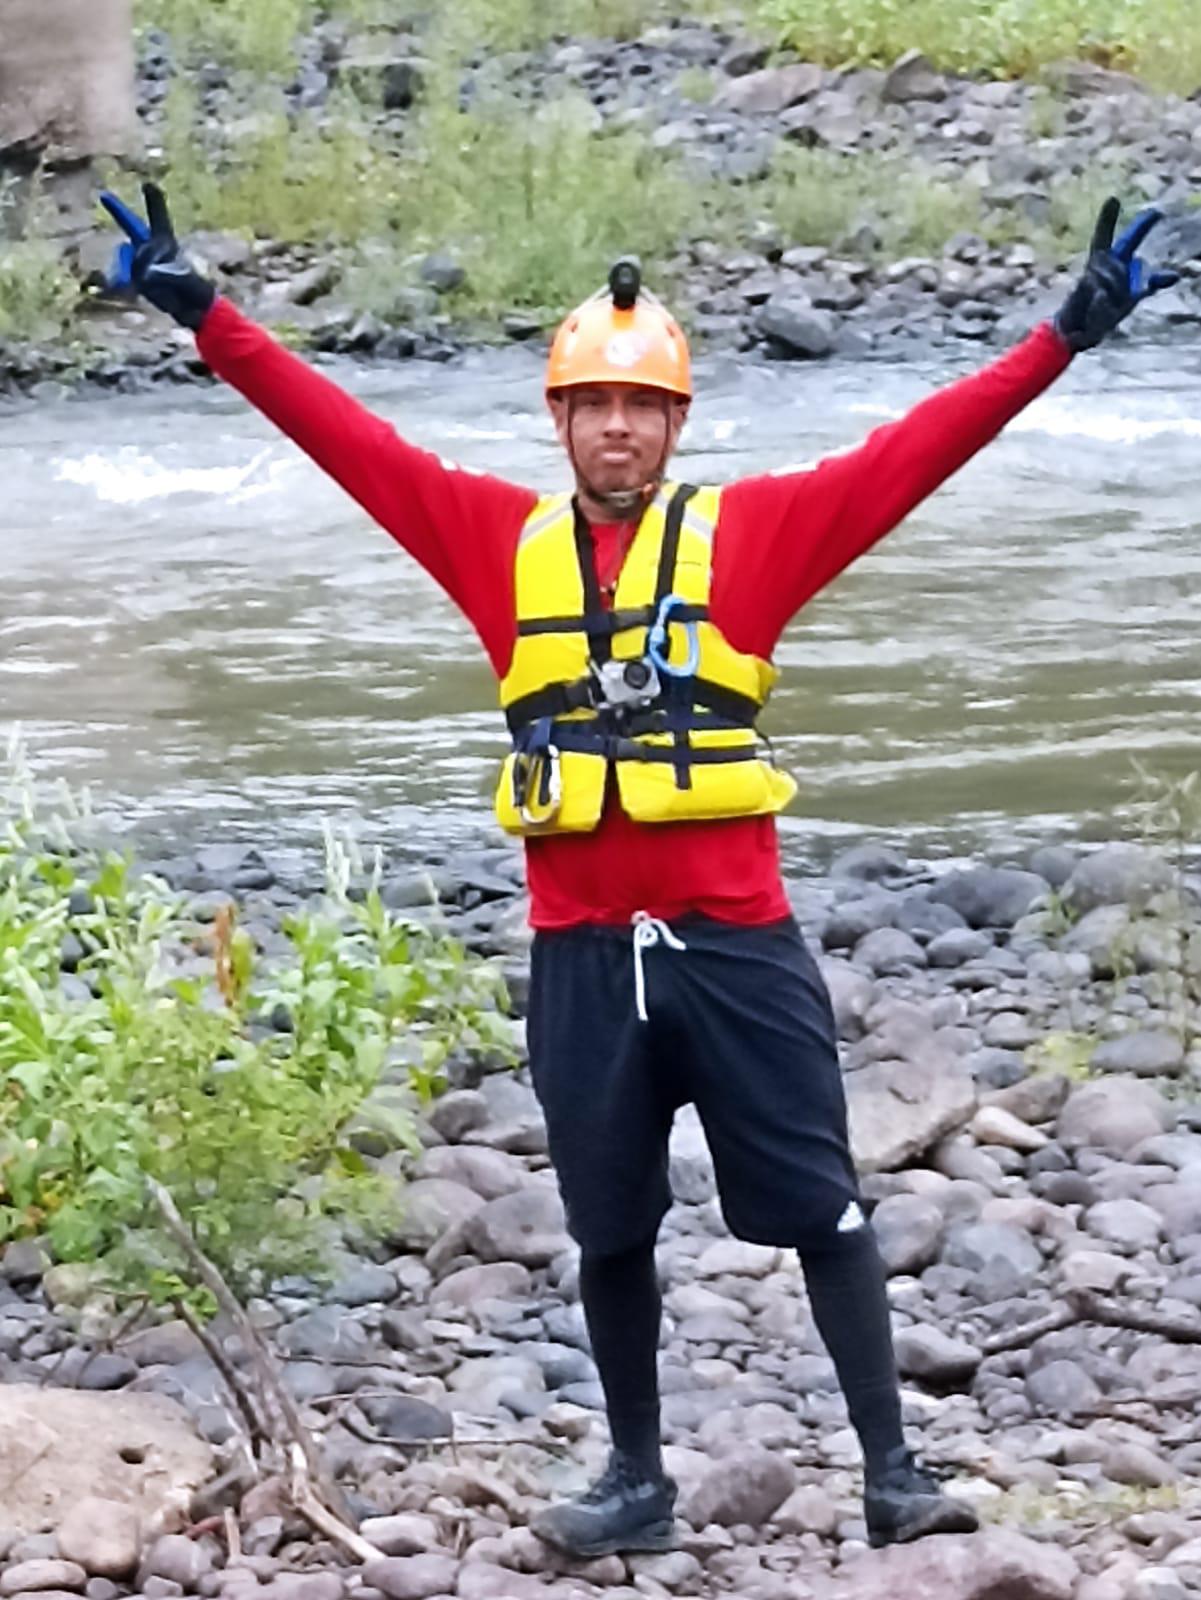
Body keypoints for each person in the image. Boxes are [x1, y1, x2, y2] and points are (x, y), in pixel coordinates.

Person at [101, 185, 1176, 1556]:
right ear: (560, 420)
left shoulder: (761, 539)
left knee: (823, 1208)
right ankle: (634, 1481)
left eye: (642, 406)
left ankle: (893, 1474)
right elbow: (347, 442)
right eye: (593, 404)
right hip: (579, 953)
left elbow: (918, 451)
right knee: (608, 1231)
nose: (617, 426)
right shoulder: (491, 543)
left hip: (732, 939)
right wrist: (209, 317)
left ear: (674, 425)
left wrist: (1064, 334)